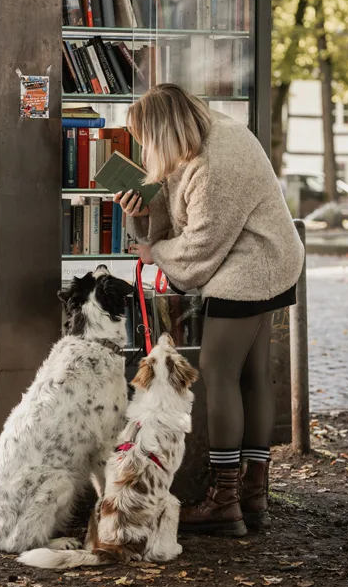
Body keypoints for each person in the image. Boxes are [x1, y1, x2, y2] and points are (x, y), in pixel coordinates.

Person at [115, 84, 304, 538]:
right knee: (254, 374)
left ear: (165, 128)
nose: (146, 148)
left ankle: (225, 502)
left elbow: (201, 244)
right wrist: (142, 210)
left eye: (148, 139)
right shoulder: (211, 132)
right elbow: (179, 209)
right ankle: (253, 492)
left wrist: (154, 252)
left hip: (250, 267)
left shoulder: (215, 163)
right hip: (272, 256)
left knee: (218, 372)